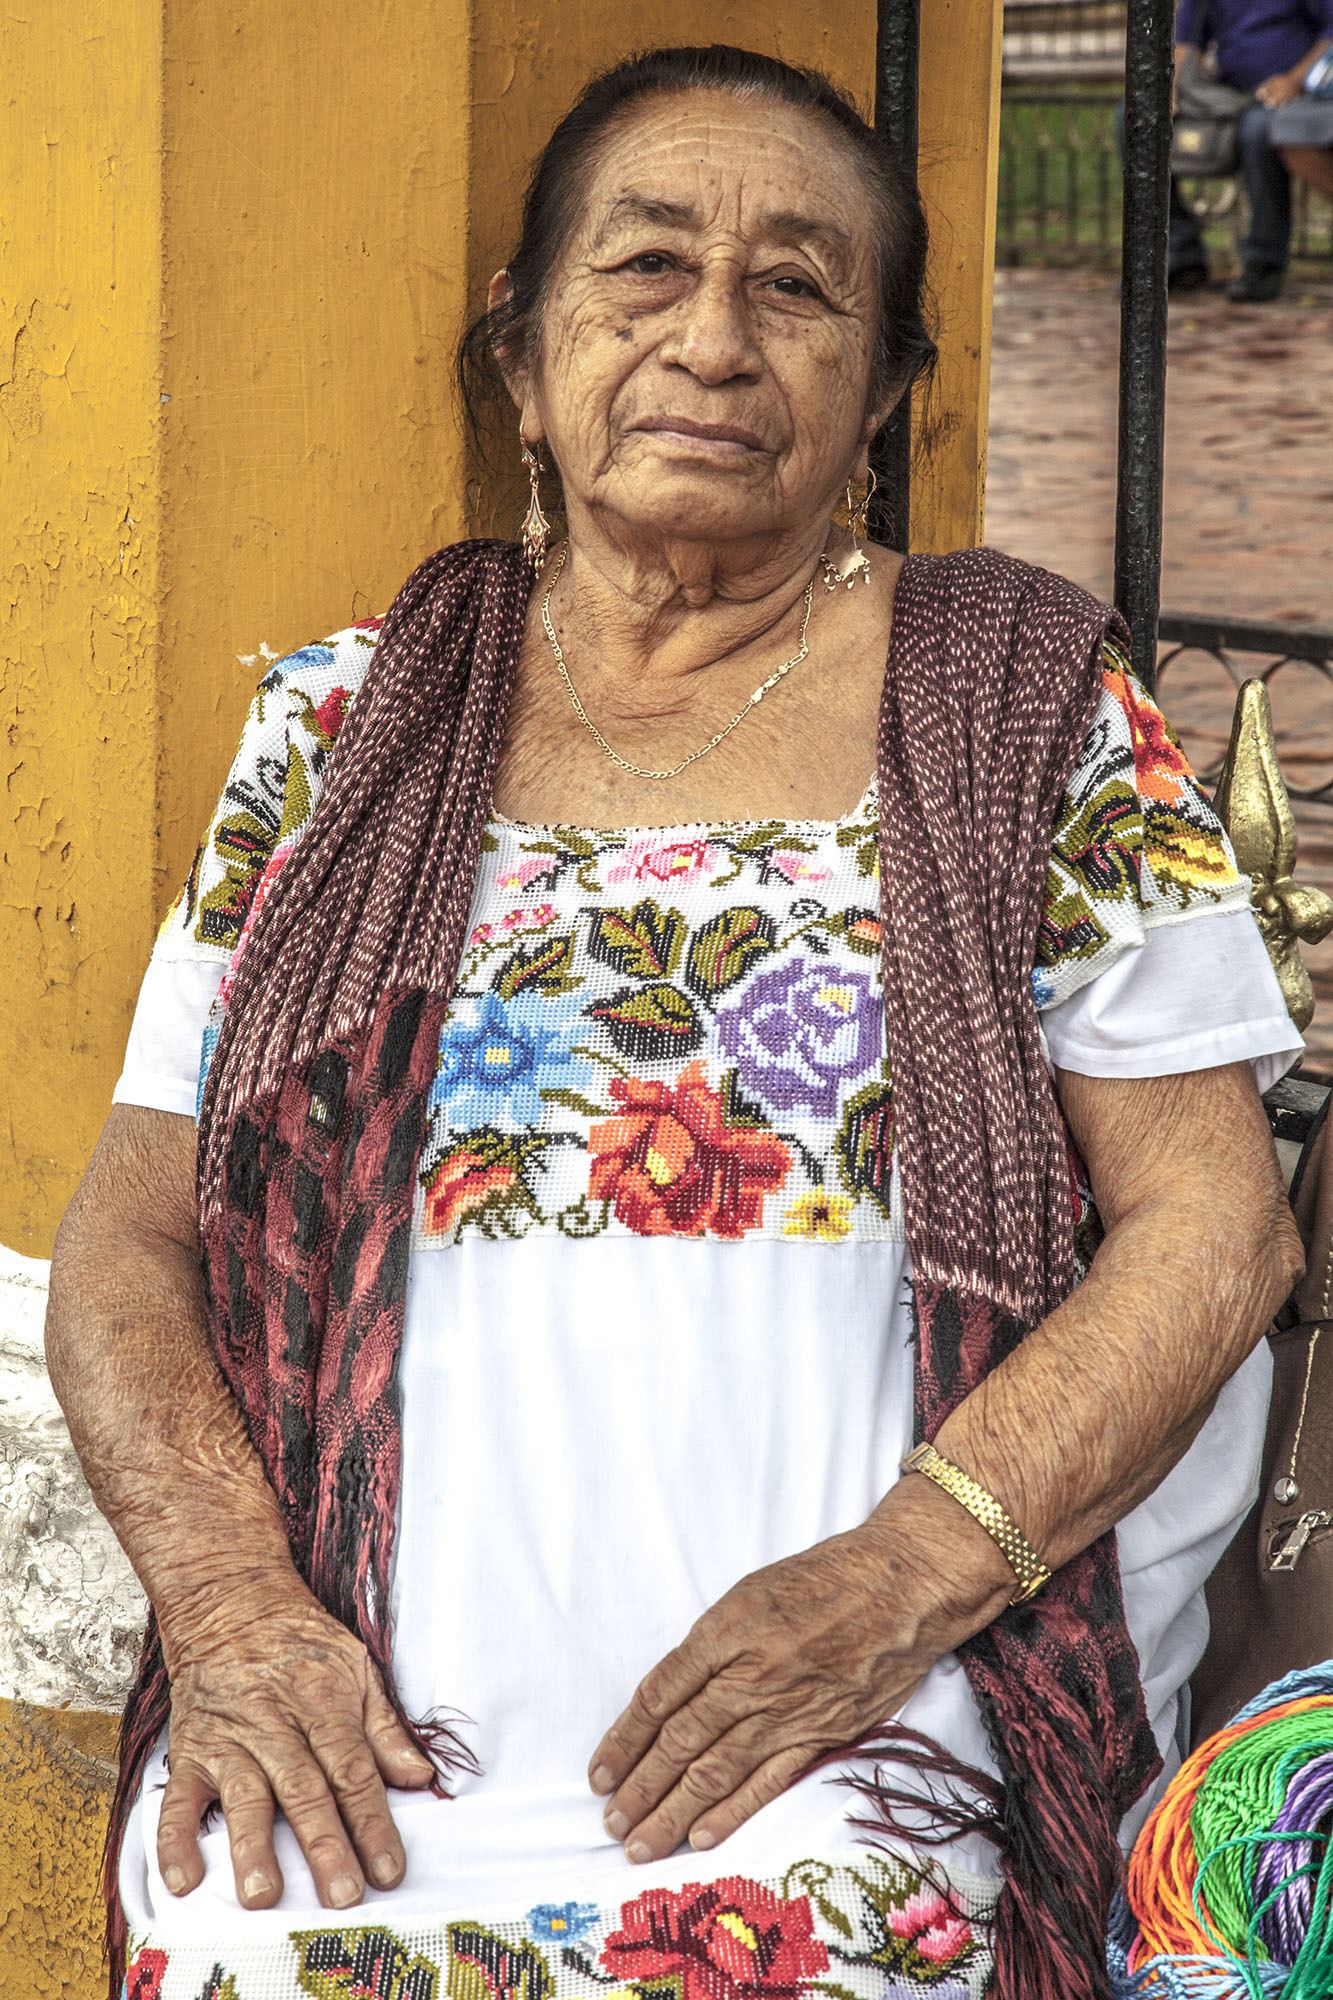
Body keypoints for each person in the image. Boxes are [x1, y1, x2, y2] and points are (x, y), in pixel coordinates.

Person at [46, 45, 1306, 2000]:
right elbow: (128, 1237)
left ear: (881, 392)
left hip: (846, 1749)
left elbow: (1218, 1228)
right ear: (523, 360)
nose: (712, 338)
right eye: (644, 268)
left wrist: (894, 1586)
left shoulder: (1031, 723)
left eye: (797, 286)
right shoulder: (337, 724)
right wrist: (228, 1614)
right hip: (351, 1747)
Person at [1171, 0, 1333, 299]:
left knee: (1259, 130)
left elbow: (1330, 31)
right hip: (1226, 96)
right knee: (1134, 121)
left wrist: (1294, 80)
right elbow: (1185, 42)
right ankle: (1178, 252)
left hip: (1290, 96)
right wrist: (1170, 89)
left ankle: (1263, 263)